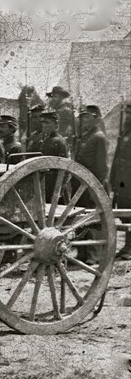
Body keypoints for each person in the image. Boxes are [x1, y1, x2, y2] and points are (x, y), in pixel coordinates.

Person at [75, 105, 108, 265]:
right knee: (81, 219)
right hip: (80, 184)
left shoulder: (99, 137)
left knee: (94, 220)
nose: (84, 121)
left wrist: (96, 187)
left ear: (96, 119)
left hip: (92, 185)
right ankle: (82, 252)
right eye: (83, 117)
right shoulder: (85, 137)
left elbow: (102, 167)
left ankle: (94, 255)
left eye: (88, 117)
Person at [111, 103, 131, 260]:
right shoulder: (124, 132)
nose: (128, 117)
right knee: (125, 214)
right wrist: (113, 180)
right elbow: (117, 159)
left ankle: (130, 247)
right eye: (127, 113)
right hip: (123, 181)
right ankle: (127, 245)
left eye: (130, 114)